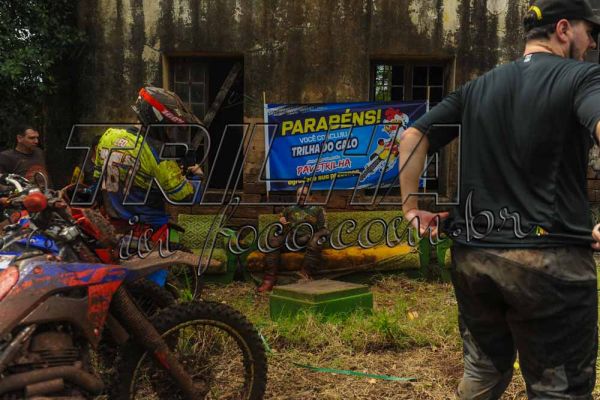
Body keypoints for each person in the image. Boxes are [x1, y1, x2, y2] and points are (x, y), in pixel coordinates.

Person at [399, 0, 600, 398]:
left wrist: (411, 208)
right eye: (590, 32)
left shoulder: (478, 87)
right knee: (560, 389)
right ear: (563, 29)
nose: (593, 43)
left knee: (483, 373)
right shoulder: (583, 77)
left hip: (474, 261)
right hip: (549, 264)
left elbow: (412, 137)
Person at [93, 87, 204, 286]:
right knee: (153, 284)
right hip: (148, 225)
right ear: (157, 121)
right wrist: (197, 178)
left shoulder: (108, 136)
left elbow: (97, 175)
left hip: (111, 221)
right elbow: (184, 196)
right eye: (169, 127)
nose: (170, 133)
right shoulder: (156, 152)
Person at [257, 186, 329, 293]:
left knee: (316, 241)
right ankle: (269, 279)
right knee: (273, 241)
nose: (300, 197)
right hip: (291, 241)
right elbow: (279, 231)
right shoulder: (289, 209)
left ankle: (304, 276)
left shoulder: (318, 210)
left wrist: (315, 237)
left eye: (303, 195)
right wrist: (281, 224)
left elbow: (324, 230)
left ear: (310, 197)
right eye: (298, 194)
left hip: (308, 243)